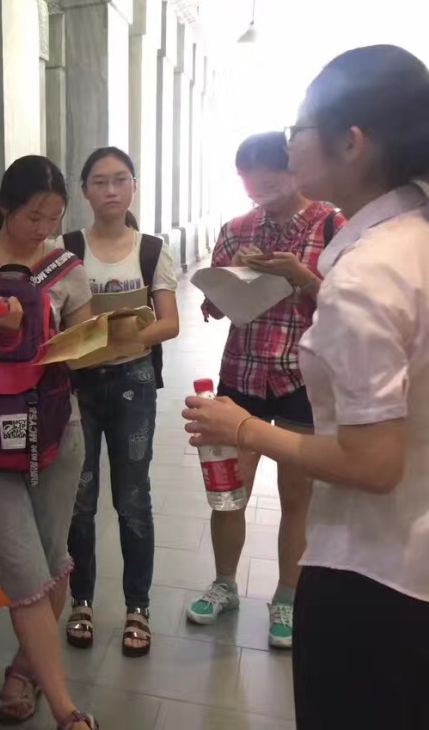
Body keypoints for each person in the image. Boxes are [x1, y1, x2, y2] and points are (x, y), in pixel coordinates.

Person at [183, 44, 429, 728]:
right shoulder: (411, 237)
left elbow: (373, 463)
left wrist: (242, 428)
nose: (290, 146)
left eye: (300, 128)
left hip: (373, 574)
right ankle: (227, 580)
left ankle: (285, 595)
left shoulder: (369, 268)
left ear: (352, 142)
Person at [0, 155, 98, 730]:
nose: (44, 229)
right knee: (21, 567)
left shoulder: (67, 267)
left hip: (58, 429)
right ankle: (66, 710)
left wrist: (94, 342)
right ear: (4, 205)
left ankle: (23, 671)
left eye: (54, 218)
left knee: (52, 560)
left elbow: (84, 342)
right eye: (34, 216)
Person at [185, 132, 342, 650]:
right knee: (228, 489)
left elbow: (348, 309)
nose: (260, 196)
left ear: (295, 170)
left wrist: (302, 277)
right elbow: (217, 301)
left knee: (296, 494)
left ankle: (287, 597)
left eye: (270, 184)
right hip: (243, 373)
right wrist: (217, 297)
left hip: (303, 377)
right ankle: (224, 584)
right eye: (251, 186)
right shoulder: (237, 230)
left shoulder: (331, 226)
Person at [60, 147, 180, 658]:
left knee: (132, 498)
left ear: (133, 186)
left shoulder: (151, 250)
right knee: (80, 498)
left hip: (134, 381)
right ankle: (82, 602)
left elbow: (169, 322)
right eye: (100, 181)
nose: (110, 190)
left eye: (120, 180)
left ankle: (138, 607)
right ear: (84, 190)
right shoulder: (66, 249)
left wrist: (122, 340)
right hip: (79, 386)